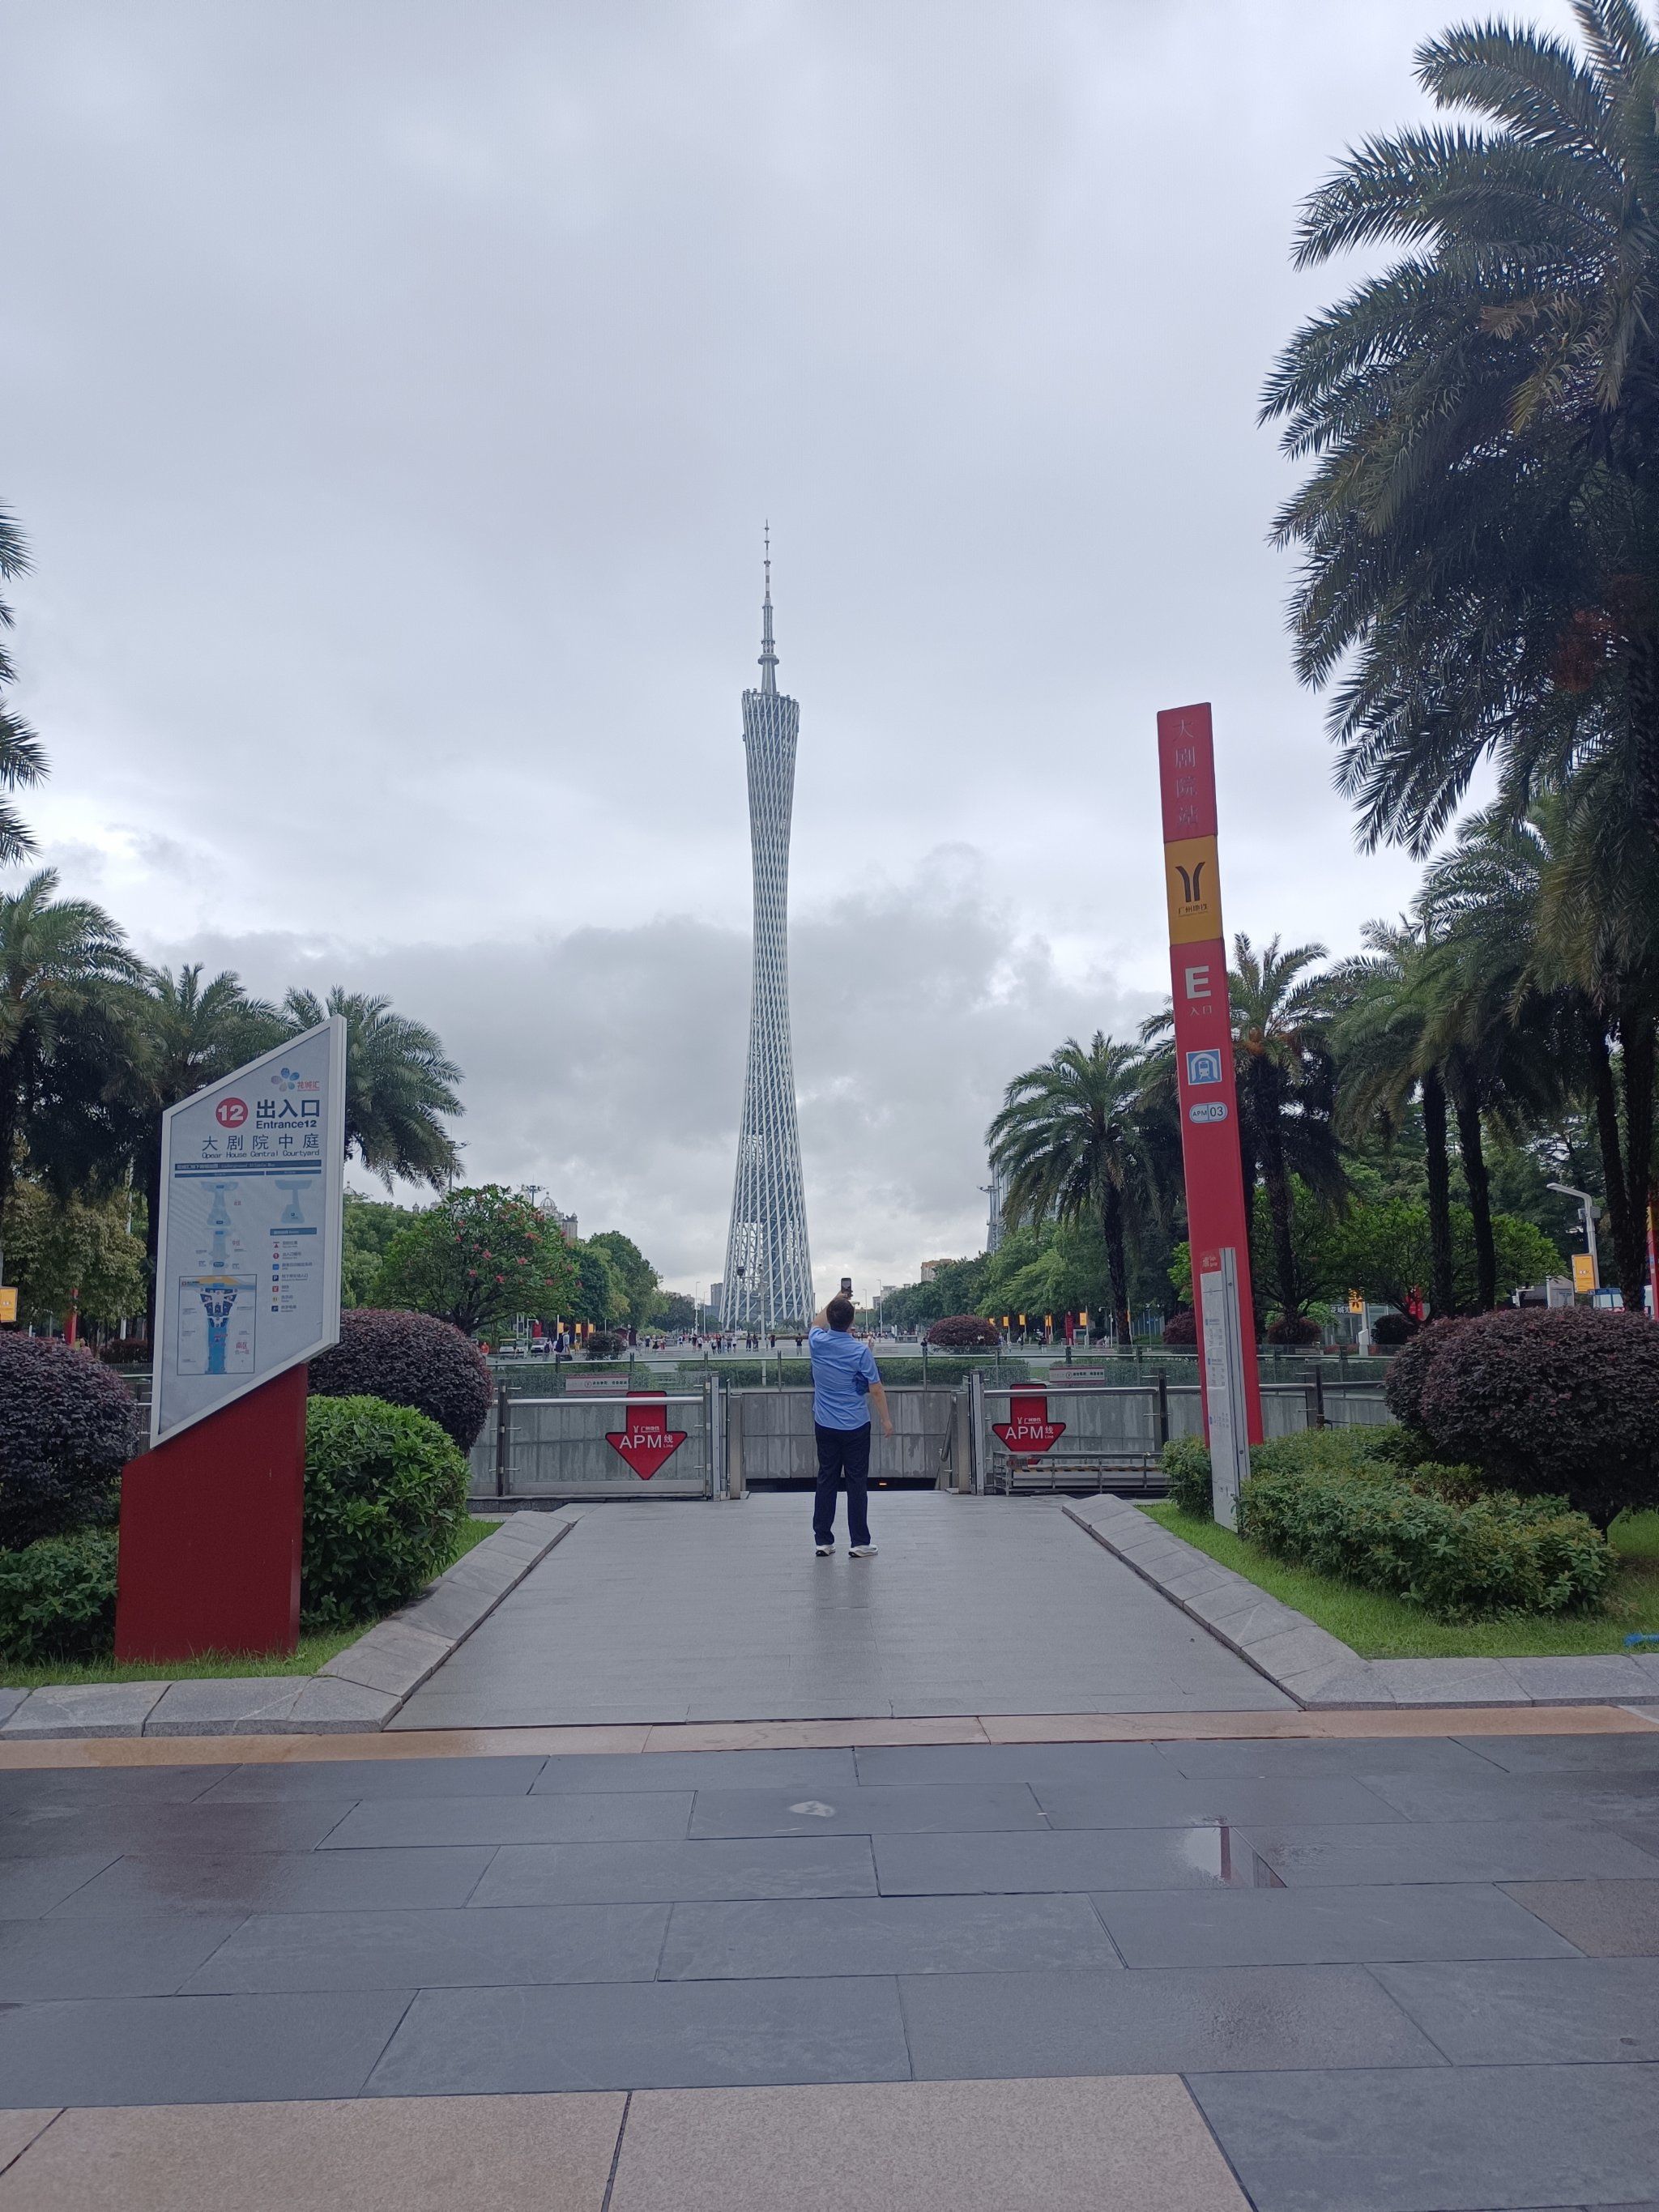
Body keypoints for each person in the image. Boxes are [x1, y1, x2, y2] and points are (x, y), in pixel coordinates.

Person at [807, 1294, 892, 1558]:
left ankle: (823, 1540)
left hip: (825, 1424)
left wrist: (837, 1297)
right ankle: (859, 1542)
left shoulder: (817, 1343)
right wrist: (886, 1420)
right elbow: (876, 1389)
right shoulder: (860, 1351)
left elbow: (815, 1323)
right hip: (855, 1426)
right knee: (856, 1483)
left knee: (826, 1479)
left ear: (830, 1318)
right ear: (852, 1321)